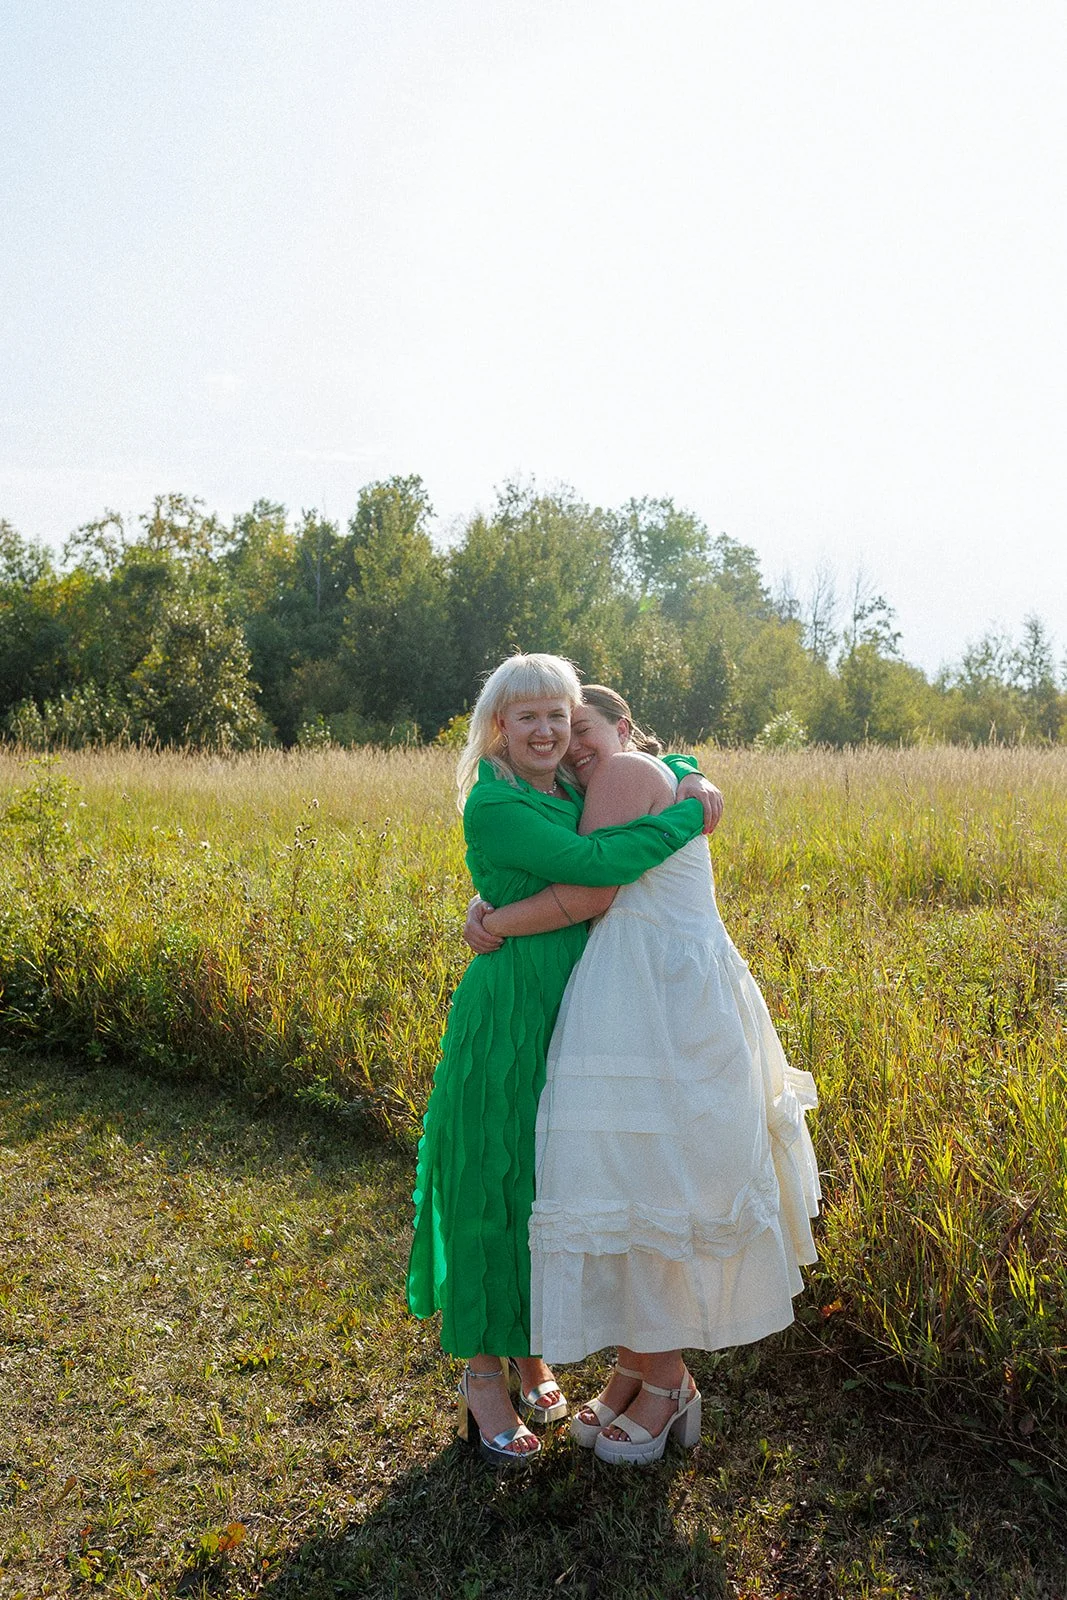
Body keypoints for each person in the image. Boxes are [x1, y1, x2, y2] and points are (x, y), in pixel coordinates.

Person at [465, 686, 820, 1465]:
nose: (573, 746)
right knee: (633, 1183)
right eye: (564, 733)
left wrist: (490, 919)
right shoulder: (624, 779)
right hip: (649, 996)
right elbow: (561, 862)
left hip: (659, 1003)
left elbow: (590, 887)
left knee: (649, 1183)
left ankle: (665, 1385)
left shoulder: (623, 774)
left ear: (621, 729)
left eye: (582, 729)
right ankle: (637, 1372)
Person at [406, 654, 721, 1466]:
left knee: (547, 1186)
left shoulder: (570, 789)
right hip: (512, 1008)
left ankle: (531, 1350)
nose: (546, 732)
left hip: (576, 1013)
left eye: (558, 715)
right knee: (488, 1179)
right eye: (527, 718)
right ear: (496, 729)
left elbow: (625, 761)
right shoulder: (494, 801)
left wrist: (685, 771)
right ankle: (482, 1375)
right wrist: (691, 810)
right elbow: (594, 877)